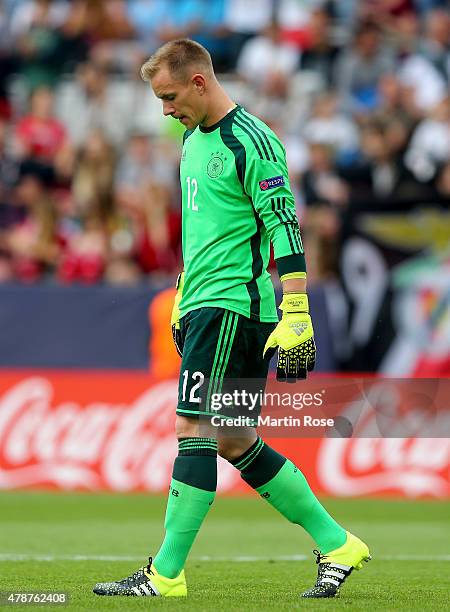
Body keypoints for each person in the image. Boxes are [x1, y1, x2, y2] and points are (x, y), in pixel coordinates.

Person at [93, 38, 371, 600]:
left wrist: (297, 310)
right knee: (232, 438)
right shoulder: (193, 142)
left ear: (199, 81)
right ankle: (337, 543)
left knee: (193, 430)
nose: (165, 110)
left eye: (170, 96)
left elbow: (285, 228)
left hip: (233, 308)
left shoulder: (255, 140)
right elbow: (203, 236)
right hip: (202, 305)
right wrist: (180, 299)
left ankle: (164, 574)